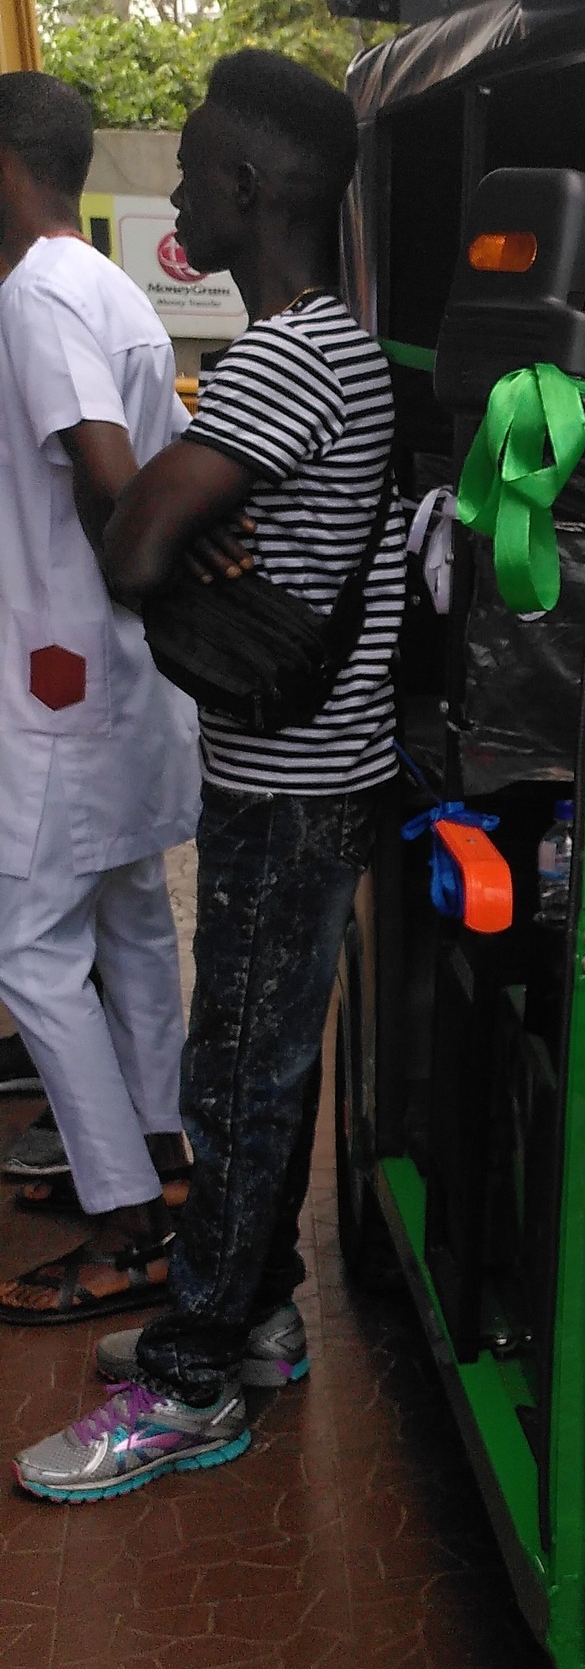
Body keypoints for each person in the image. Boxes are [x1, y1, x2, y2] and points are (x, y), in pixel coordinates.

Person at [13, 50, 401, 1501]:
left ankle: (189, 1382)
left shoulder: (290, 359)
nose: (172, 193)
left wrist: (172, 518)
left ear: (248, 187)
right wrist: (183, 505)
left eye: (188, 170)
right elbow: (164, 522)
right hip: (301, 764)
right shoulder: (320, 349)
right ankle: (261, 1317)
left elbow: (131, 548)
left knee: (237, 1075)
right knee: (258, 1062)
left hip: (291, 781)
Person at [0, 73, 198, 1329]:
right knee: (128, 920)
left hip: (60, 671)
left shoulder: (34, 293)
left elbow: (111, 476)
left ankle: (127, 1219)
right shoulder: (111, 282)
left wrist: (136, 560)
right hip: (120, 669)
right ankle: (161, 1154)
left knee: (27, 946)